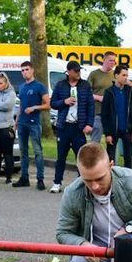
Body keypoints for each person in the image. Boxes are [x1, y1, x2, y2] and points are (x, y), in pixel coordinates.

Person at [56, 143, 132, 262]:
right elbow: (63, 232)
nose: (95, 186)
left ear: (111, 165)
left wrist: (129, 228)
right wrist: (83, 245)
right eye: (88, 180)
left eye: (99, 178)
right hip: (96, 249)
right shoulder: (72, 193)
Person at [49, 60, 94, 193]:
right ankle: (57, 182)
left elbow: (90, 105)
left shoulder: (85, 85)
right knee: (61, 156)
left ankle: (82, 183)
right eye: (76, 71)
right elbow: (53, 103)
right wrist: (64, 101)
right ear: (69, 72)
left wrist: (89, 124)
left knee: (81, 157)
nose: (78, 73)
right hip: (64, 126)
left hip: (78, 127)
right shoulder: (60, 85)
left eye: (79, 70)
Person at [13, 60, 49, 189]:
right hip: (22, 123)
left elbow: (48, 104)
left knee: (38, 151)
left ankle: (40, 179)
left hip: (34, 123)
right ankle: (24, 178)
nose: (25, 72)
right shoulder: (22, 87)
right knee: (23, 152)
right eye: (22, 70)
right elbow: (21, 105)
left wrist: (34, 108)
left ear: (32, 70)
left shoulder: (39, 86)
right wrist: (16, 121)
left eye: (27, 69)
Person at [101, 64, 132, 168]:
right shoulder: (109, 92)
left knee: (128, 157)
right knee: (111, 157)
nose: (125, 78)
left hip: (127, 129)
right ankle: (111, 178)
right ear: (116, 75)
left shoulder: (130, 92)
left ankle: (127, 180)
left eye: (127, 75)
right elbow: (104, 114)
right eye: (123, 75)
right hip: (113, 130)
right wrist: (107, 133)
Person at [86, 51, 117, 144]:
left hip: (112, 112)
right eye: (110, 60)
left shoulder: (116, 75)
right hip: (97, 111)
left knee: (112, 140)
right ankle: (93, 157)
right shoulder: (94, 74)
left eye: (114, 61)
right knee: (95, 139)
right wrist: (99, 98)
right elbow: (86, 93)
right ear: (104, 60)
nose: (112, 63)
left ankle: (111, 158)